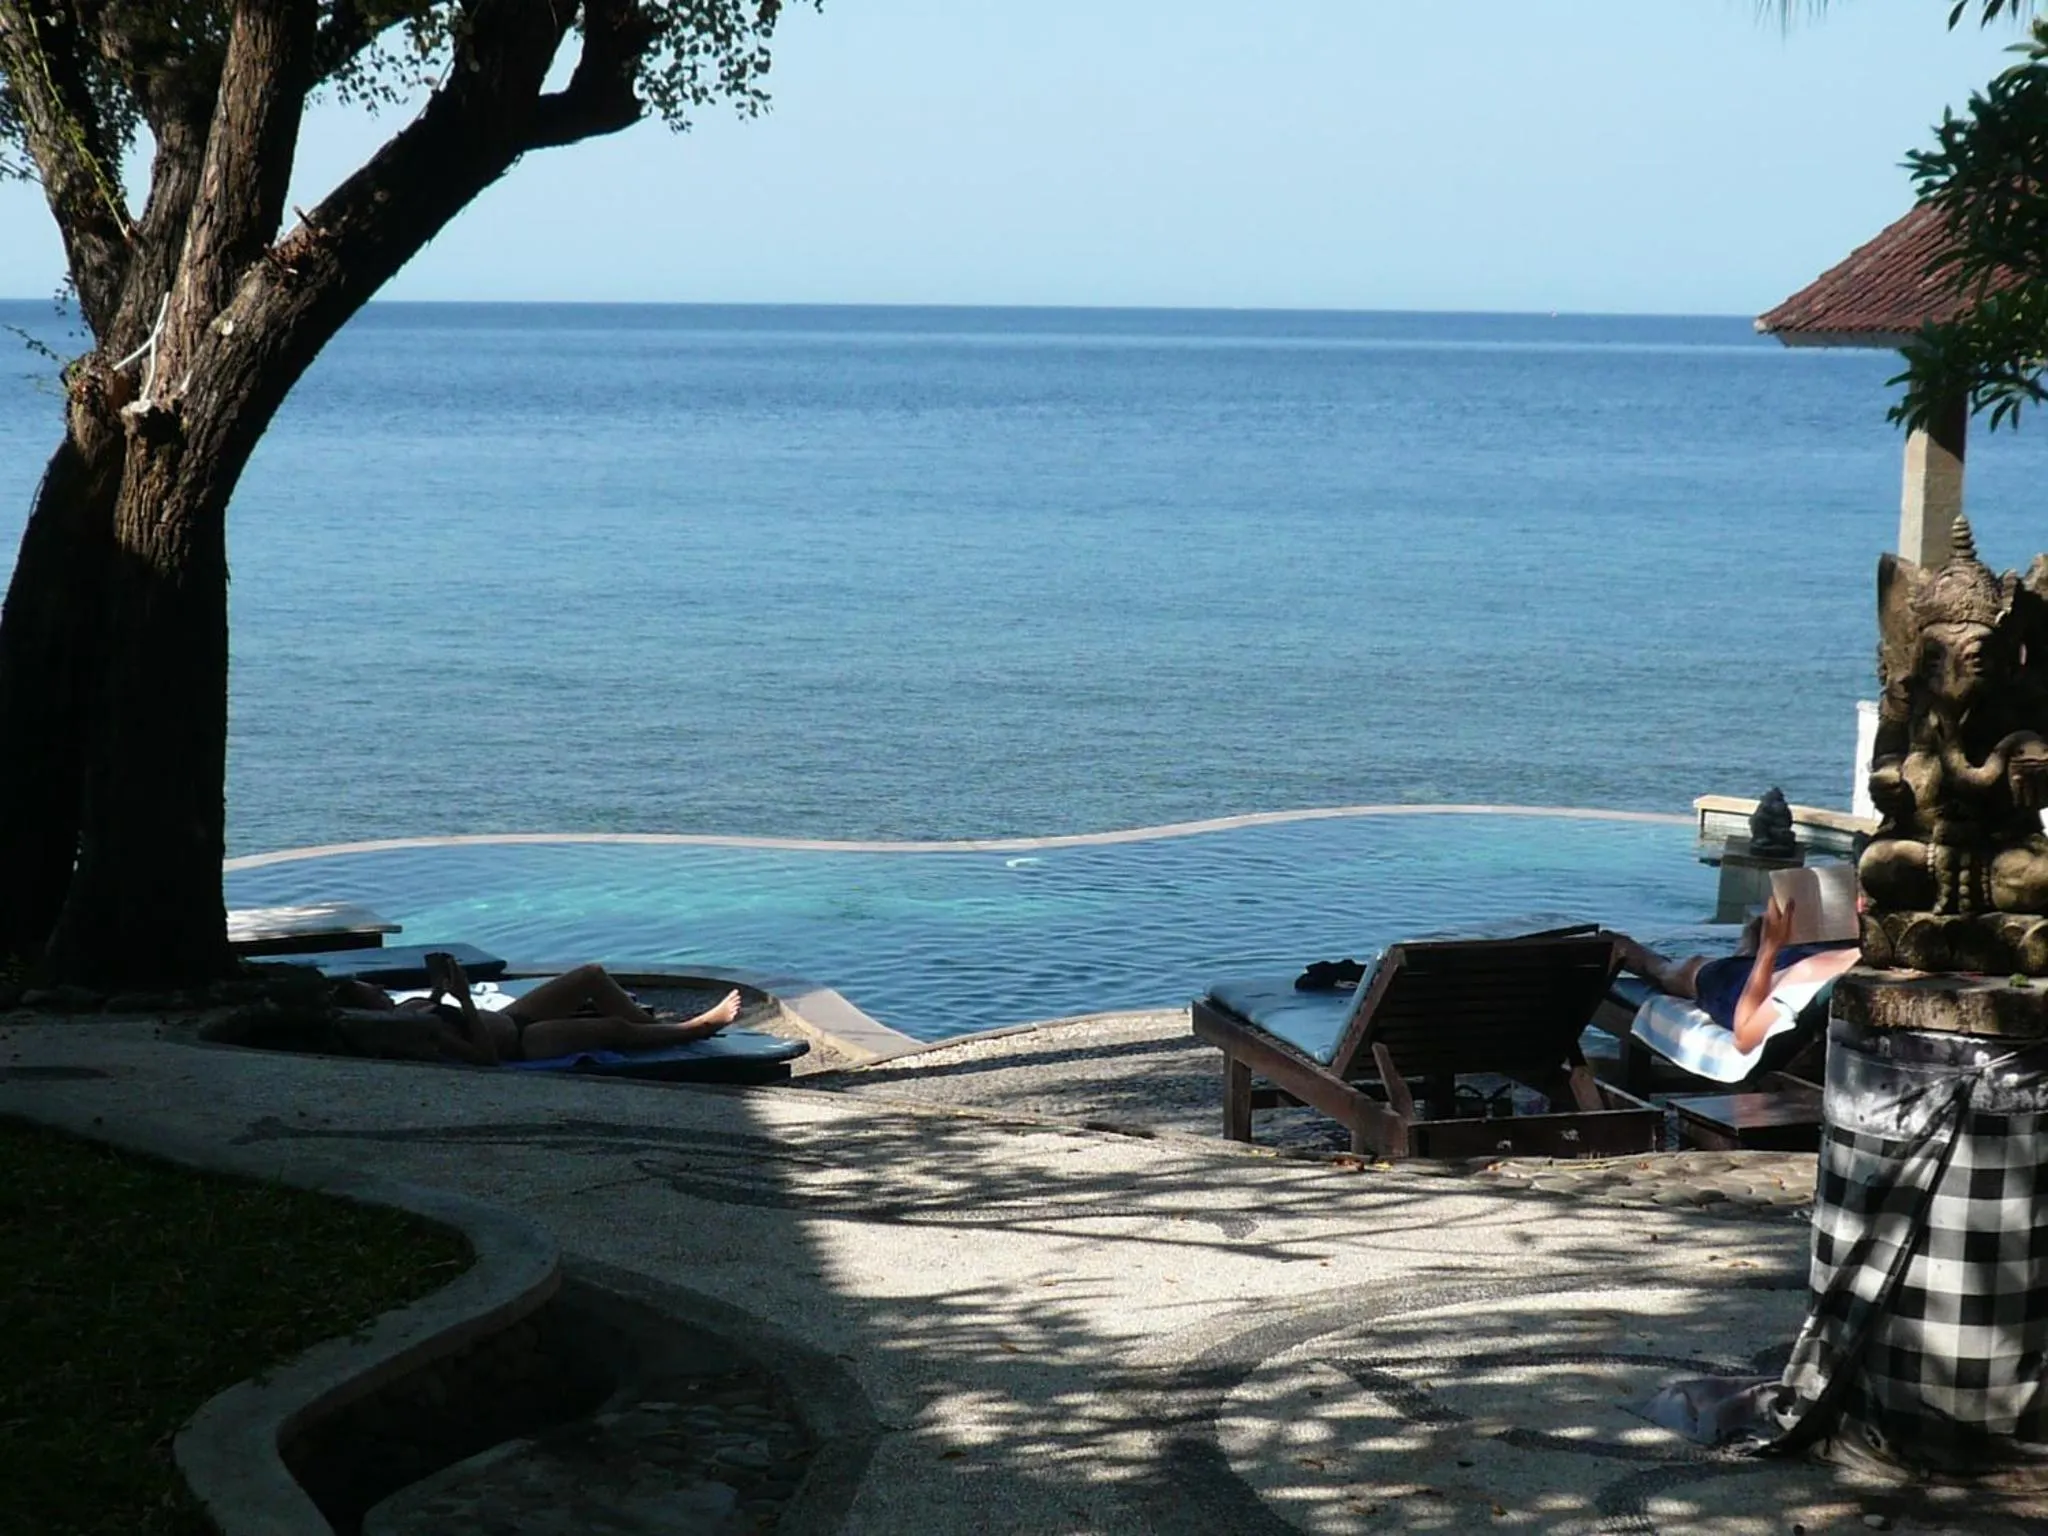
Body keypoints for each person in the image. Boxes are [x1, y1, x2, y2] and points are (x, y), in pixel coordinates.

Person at [335, 953, 742, 1066]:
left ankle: (655, 1031)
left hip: (512, 1018)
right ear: (364, 1005)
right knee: (613, 1026)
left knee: (590, 976)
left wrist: (442, 993)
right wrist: (461, 1000)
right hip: (523, 1044)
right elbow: (485, 1059)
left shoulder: (409, 1006)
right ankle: (698, 1027)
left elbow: (448, 1017)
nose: (378, 986)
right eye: (369, 989)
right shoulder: (409, 1028)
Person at [1608, 893, 1860, 1056]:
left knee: (1669, 969)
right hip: (1784, 967)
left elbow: (1745, 1037)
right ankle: (1749, 949)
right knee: (1756, 949)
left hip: (1742, 988)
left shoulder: (1818, 968)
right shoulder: (1872, 962)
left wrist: (1769, 947)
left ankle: (1620, 948)